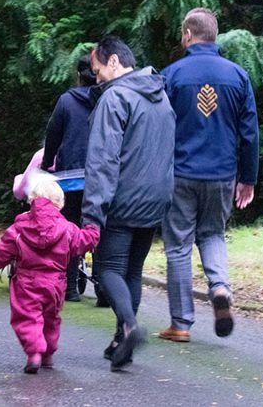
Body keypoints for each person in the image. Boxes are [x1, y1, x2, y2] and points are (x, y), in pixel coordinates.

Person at [158, 8, 259, 343]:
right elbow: (249, 134)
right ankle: (219, 287)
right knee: (213, 234)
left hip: (180, 173)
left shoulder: (171, 75)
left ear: (188, 34)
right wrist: (248, 178)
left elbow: (158, 129)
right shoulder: (238, 76)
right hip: (221, 173)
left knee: (178, 246)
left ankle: (181, 323)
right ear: (215, 35)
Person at [81, 36, 175, 371]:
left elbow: (102, 160)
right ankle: (123, 344)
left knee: (107, 269)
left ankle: (129, 326)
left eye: (98, 70)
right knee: (132, 270)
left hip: (121, 199)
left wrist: (92, 214)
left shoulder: (115, 98)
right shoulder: (161, 97)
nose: (97, 78)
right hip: (155, 200)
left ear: (114, 62)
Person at [0, 176, 100, 373]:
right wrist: (93, 229)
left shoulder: (19, 228)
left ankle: (34, 353)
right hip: (55, 284)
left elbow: (4, 249)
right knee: (51, 318)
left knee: (28, 317)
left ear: (31, 201)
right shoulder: (68, 229)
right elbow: (83, 242)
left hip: (26, 282)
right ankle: (48, 354)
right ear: (60, 204)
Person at [41, 55, 97, 302]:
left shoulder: (66, 101)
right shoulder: (107, 99)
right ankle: (104, 289)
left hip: (70, 177)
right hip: (100, 176)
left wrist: (46, 165)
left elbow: (53, 135)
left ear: (78, 75)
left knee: (71, 229)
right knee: (97, 227)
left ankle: (71, 287)